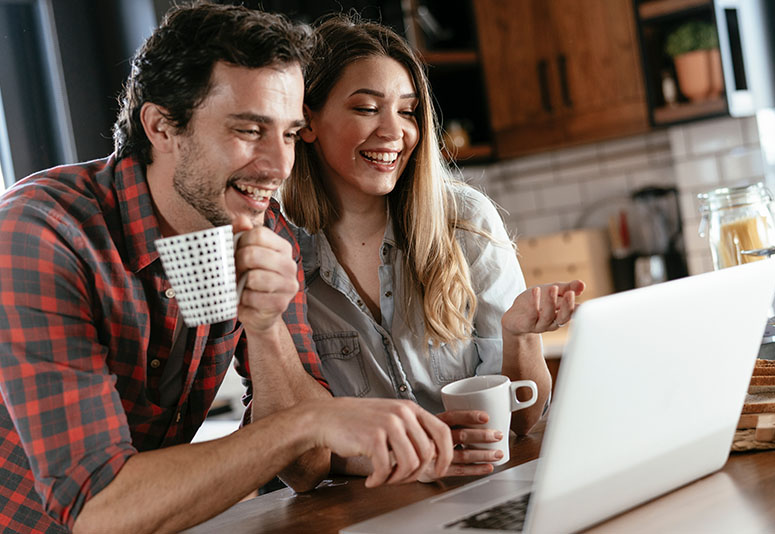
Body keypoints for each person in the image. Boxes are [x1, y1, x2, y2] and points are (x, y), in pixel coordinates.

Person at [0, 4, 455, 534]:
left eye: (288, 134)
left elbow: (306, 468)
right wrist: (311, 421)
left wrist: (266, 329)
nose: (278, 166)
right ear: (162, 126)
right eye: (249, 130)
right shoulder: (43, 234)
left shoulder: (254, 227)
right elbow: (99, 509)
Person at [281, 14, 585, 480]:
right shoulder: (282, 257)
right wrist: (407, 454)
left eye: (406, 111)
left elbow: (522, 420)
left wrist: (519, 335)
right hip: (367, 512)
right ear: (308, 122)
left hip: (480, 494)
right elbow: (301, 457)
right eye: (366, 108)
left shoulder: (465, 221)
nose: (393, 131)